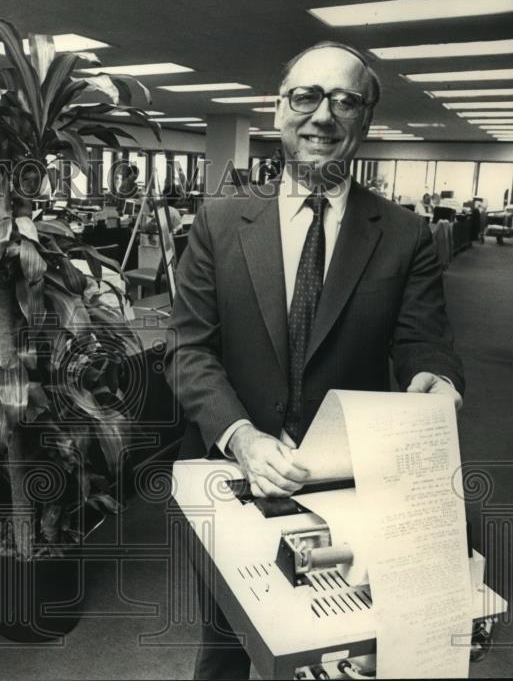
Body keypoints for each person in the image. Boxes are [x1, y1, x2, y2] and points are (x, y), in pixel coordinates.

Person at [164, 41, 464, 679]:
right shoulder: (218, 224)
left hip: (349, 484)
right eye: (306, 96)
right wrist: (241, 437)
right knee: (226, 643)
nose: (322, 115)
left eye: (344, 100)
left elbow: (423, 343)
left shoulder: (406, 235)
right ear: (278, 110)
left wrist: (433, 380)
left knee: (338, 650)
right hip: (232, 476)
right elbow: (189, 348)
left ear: (365, 120)